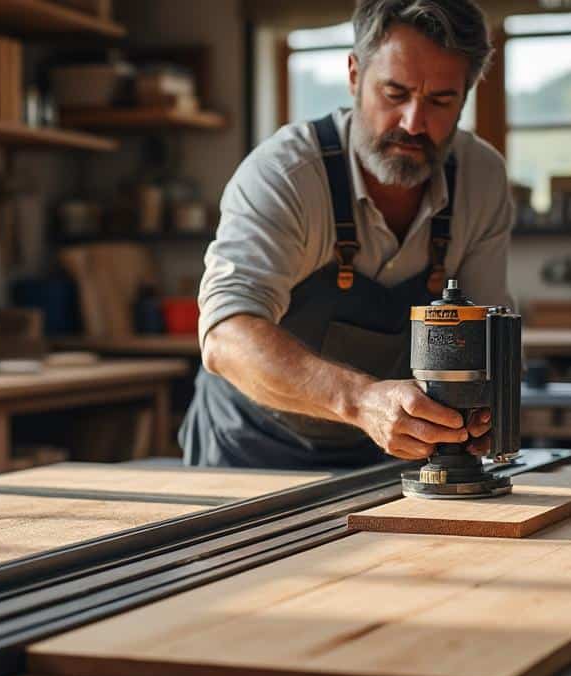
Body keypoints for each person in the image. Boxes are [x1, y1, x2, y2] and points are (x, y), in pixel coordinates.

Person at [180, 0, 515, 469]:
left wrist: (483, 411)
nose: (414, 123)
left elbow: (491, 331)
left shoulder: (480, 179)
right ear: (355, 75)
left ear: (467, 95)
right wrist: (360, 402)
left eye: (441, 101)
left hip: (387, 458)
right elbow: (226, 336)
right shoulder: (286, 175)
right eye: (395, 93)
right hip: (251, 450)